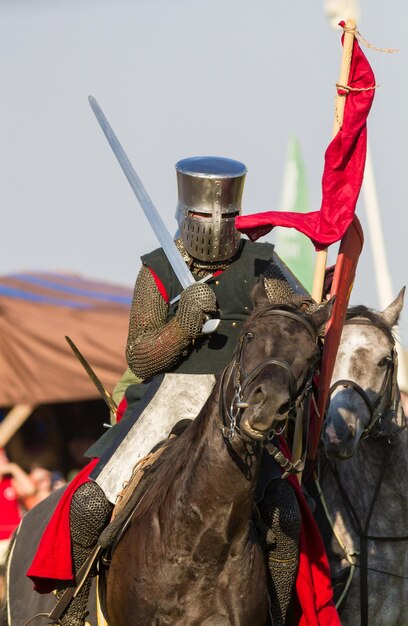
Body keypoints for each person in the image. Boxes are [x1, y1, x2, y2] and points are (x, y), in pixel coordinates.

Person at [28, 156, 334, 626]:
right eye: (203, 217)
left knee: (285, 512)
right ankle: (73, 608)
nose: (213, 226)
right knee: (89, 504)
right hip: (163, 401)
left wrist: (318, 305)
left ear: (235, 217)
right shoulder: (157, 272)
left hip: (238, 403)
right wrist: (186, 321)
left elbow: (295, 321)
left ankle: (276, 614)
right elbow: (141, 357)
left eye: (223, 218)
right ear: (186, 214)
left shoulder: (261, 266)